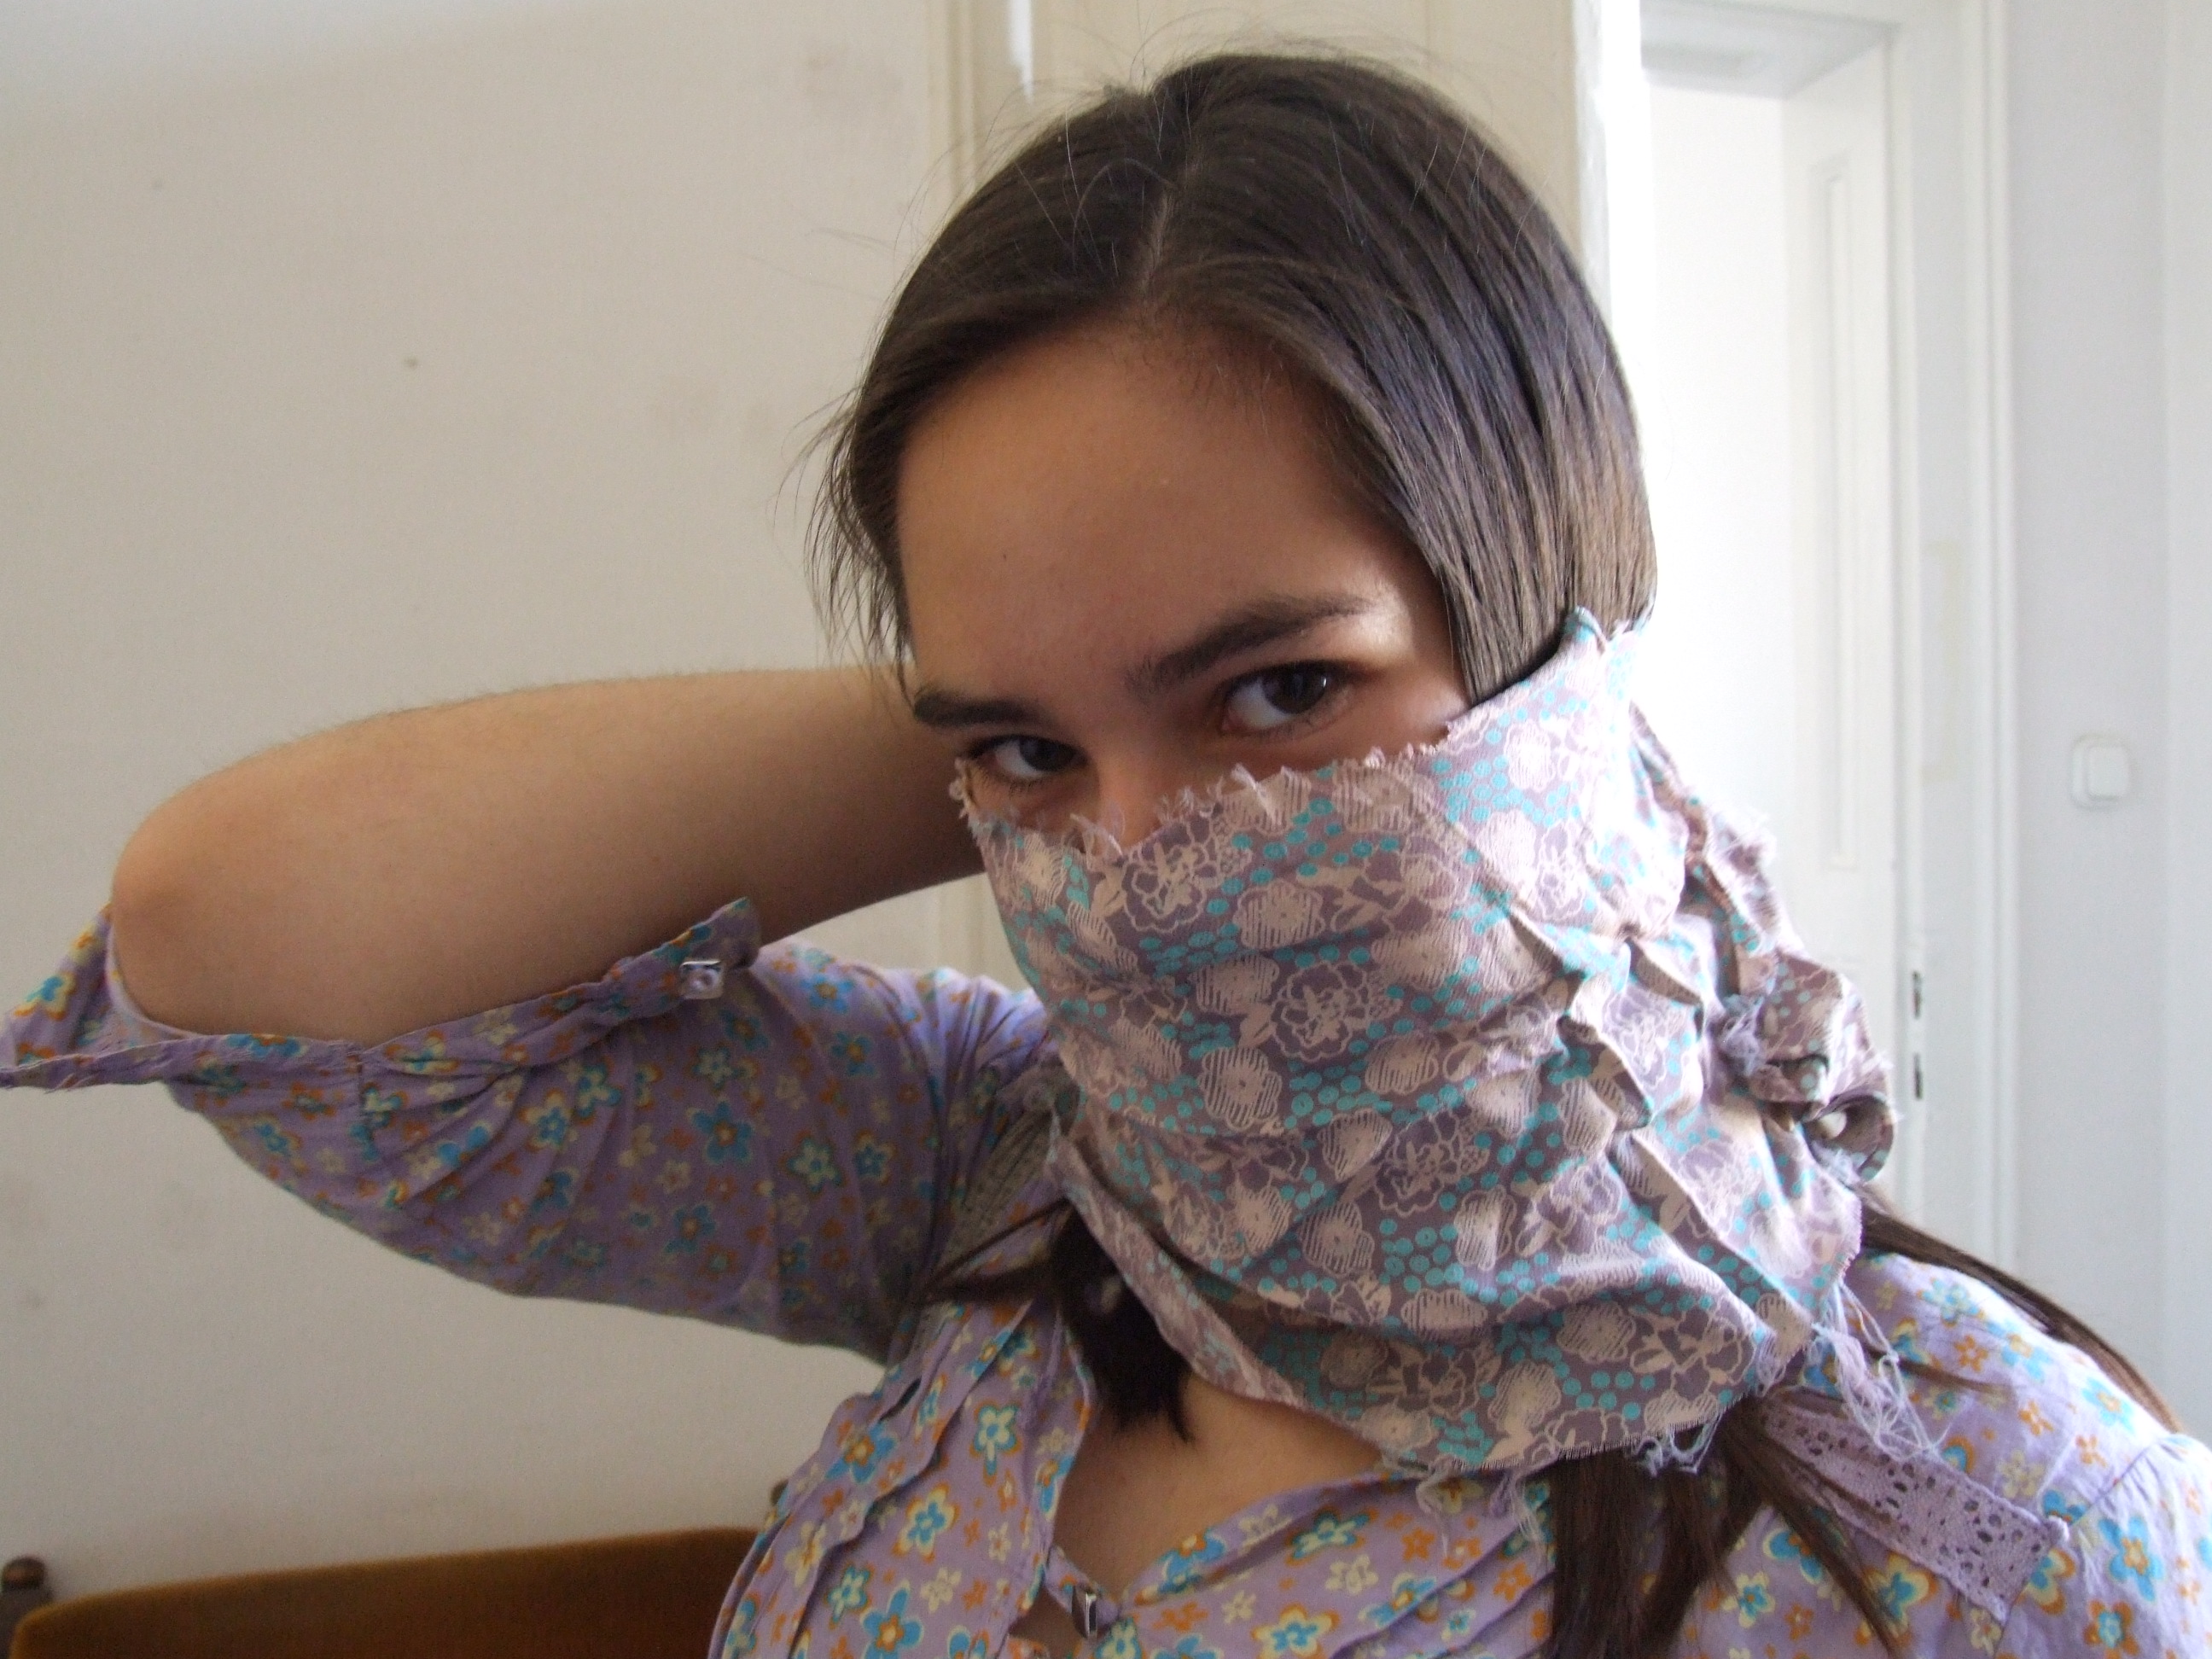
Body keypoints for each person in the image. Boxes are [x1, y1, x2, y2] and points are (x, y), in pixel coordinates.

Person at [5, 51, 2207, 1659]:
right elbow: (239, 944)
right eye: (1030, 755)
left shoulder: (1988, 1508)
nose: (1141, 873)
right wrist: (1019, 720)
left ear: (1561, 667)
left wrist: (1095, 708)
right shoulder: (994, 1167)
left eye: (1283, 687)